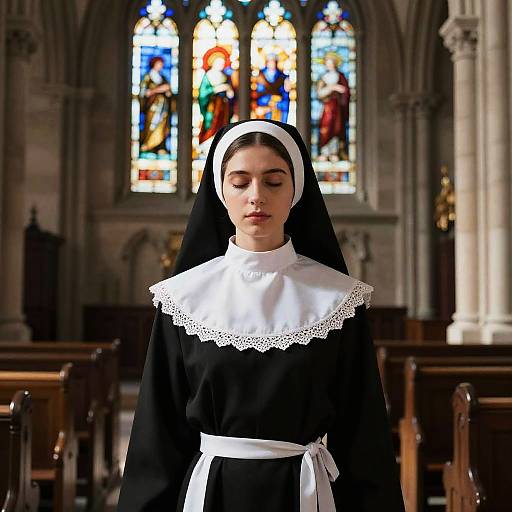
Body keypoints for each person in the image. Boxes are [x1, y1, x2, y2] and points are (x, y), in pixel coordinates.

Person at [117, 119, 405, 511]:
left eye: (273, 182)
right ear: (221, 191)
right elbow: (158, 437)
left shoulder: (339, 301)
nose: (257, 197)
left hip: (304, 494)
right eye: (240, 182)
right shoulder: (183, 300)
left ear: (295, 191)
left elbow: (364, 436)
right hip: (212, 495)